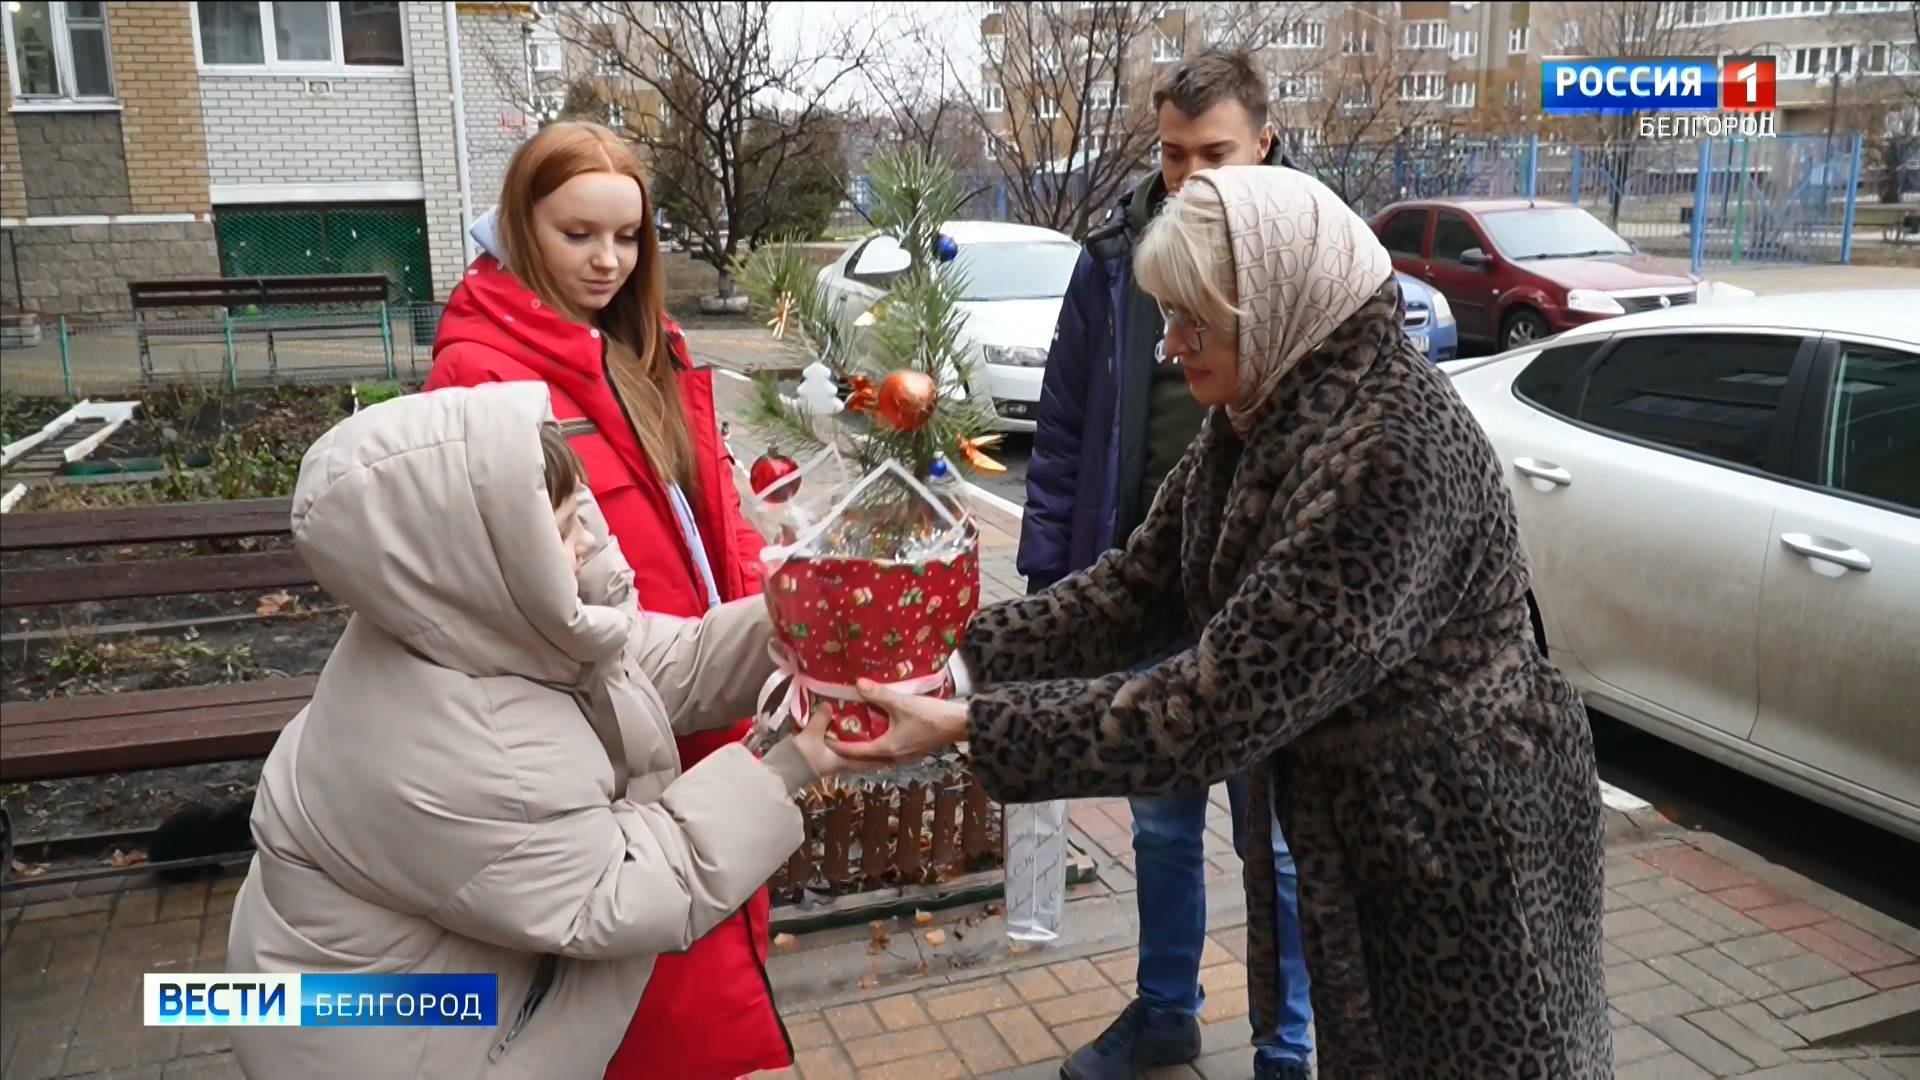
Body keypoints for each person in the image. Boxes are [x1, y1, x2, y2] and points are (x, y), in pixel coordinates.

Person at [842, 166, 1612, 1079]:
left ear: (1277, 304)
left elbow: (1214, 706)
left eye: (1192, 321)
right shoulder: (1263, 409)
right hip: (1375, 823)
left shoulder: (1392, 452)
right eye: (1168, 316)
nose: (1170, 347)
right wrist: (955, 660)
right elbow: (1138, 586)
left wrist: (977, 727)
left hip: (1467, 833)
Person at [227, 384, 849, 1078]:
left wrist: (808, 616)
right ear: (487, 559)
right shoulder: (449, 746)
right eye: (561, 530)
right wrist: (782, 762)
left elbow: (673, 662)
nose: (587, 540)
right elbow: (622, 892)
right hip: (375, 1040)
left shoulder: (478, 628)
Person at [426, 123, 788, 1078]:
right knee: (638, 1003)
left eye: (627, 238)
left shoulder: (643, 347)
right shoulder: (481, 375)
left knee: (695, 973)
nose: (607, 260)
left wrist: (767, 601)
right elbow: (491, 592)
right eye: (577, 232)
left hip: (695, 699)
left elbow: (707, 509)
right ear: (519, 224)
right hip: (604, 734)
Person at [1017, 50, 1311, 1080]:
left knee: (1274, 844)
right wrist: (1050, 587)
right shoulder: (1112, 263)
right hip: (1149, 590)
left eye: (1215, 152)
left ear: (1263, 143)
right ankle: (1164, 1010)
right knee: (1157, 823)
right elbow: (1062, 437)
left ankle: (1290, 1047)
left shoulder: (1307, 255)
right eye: (1173, 153)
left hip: (1272, 608)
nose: (1191, 176)